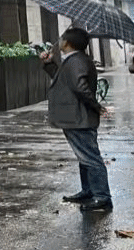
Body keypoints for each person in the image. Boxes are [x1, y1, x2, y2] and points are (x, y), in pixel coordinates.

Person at [43, 27, 112, 212]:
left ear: (68, 43)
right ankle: (88, 190)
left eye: (61, 38)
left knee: (90, 157)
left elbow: (80, 87)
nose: (59, 41)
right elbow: (64, 80)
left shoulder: (77, 61)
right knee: (84, 157)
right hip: (75, 117)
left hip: (79, 117)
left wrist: (96, 107)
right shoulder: (73, 60)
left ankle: (102, 197)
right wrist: (49, 64)